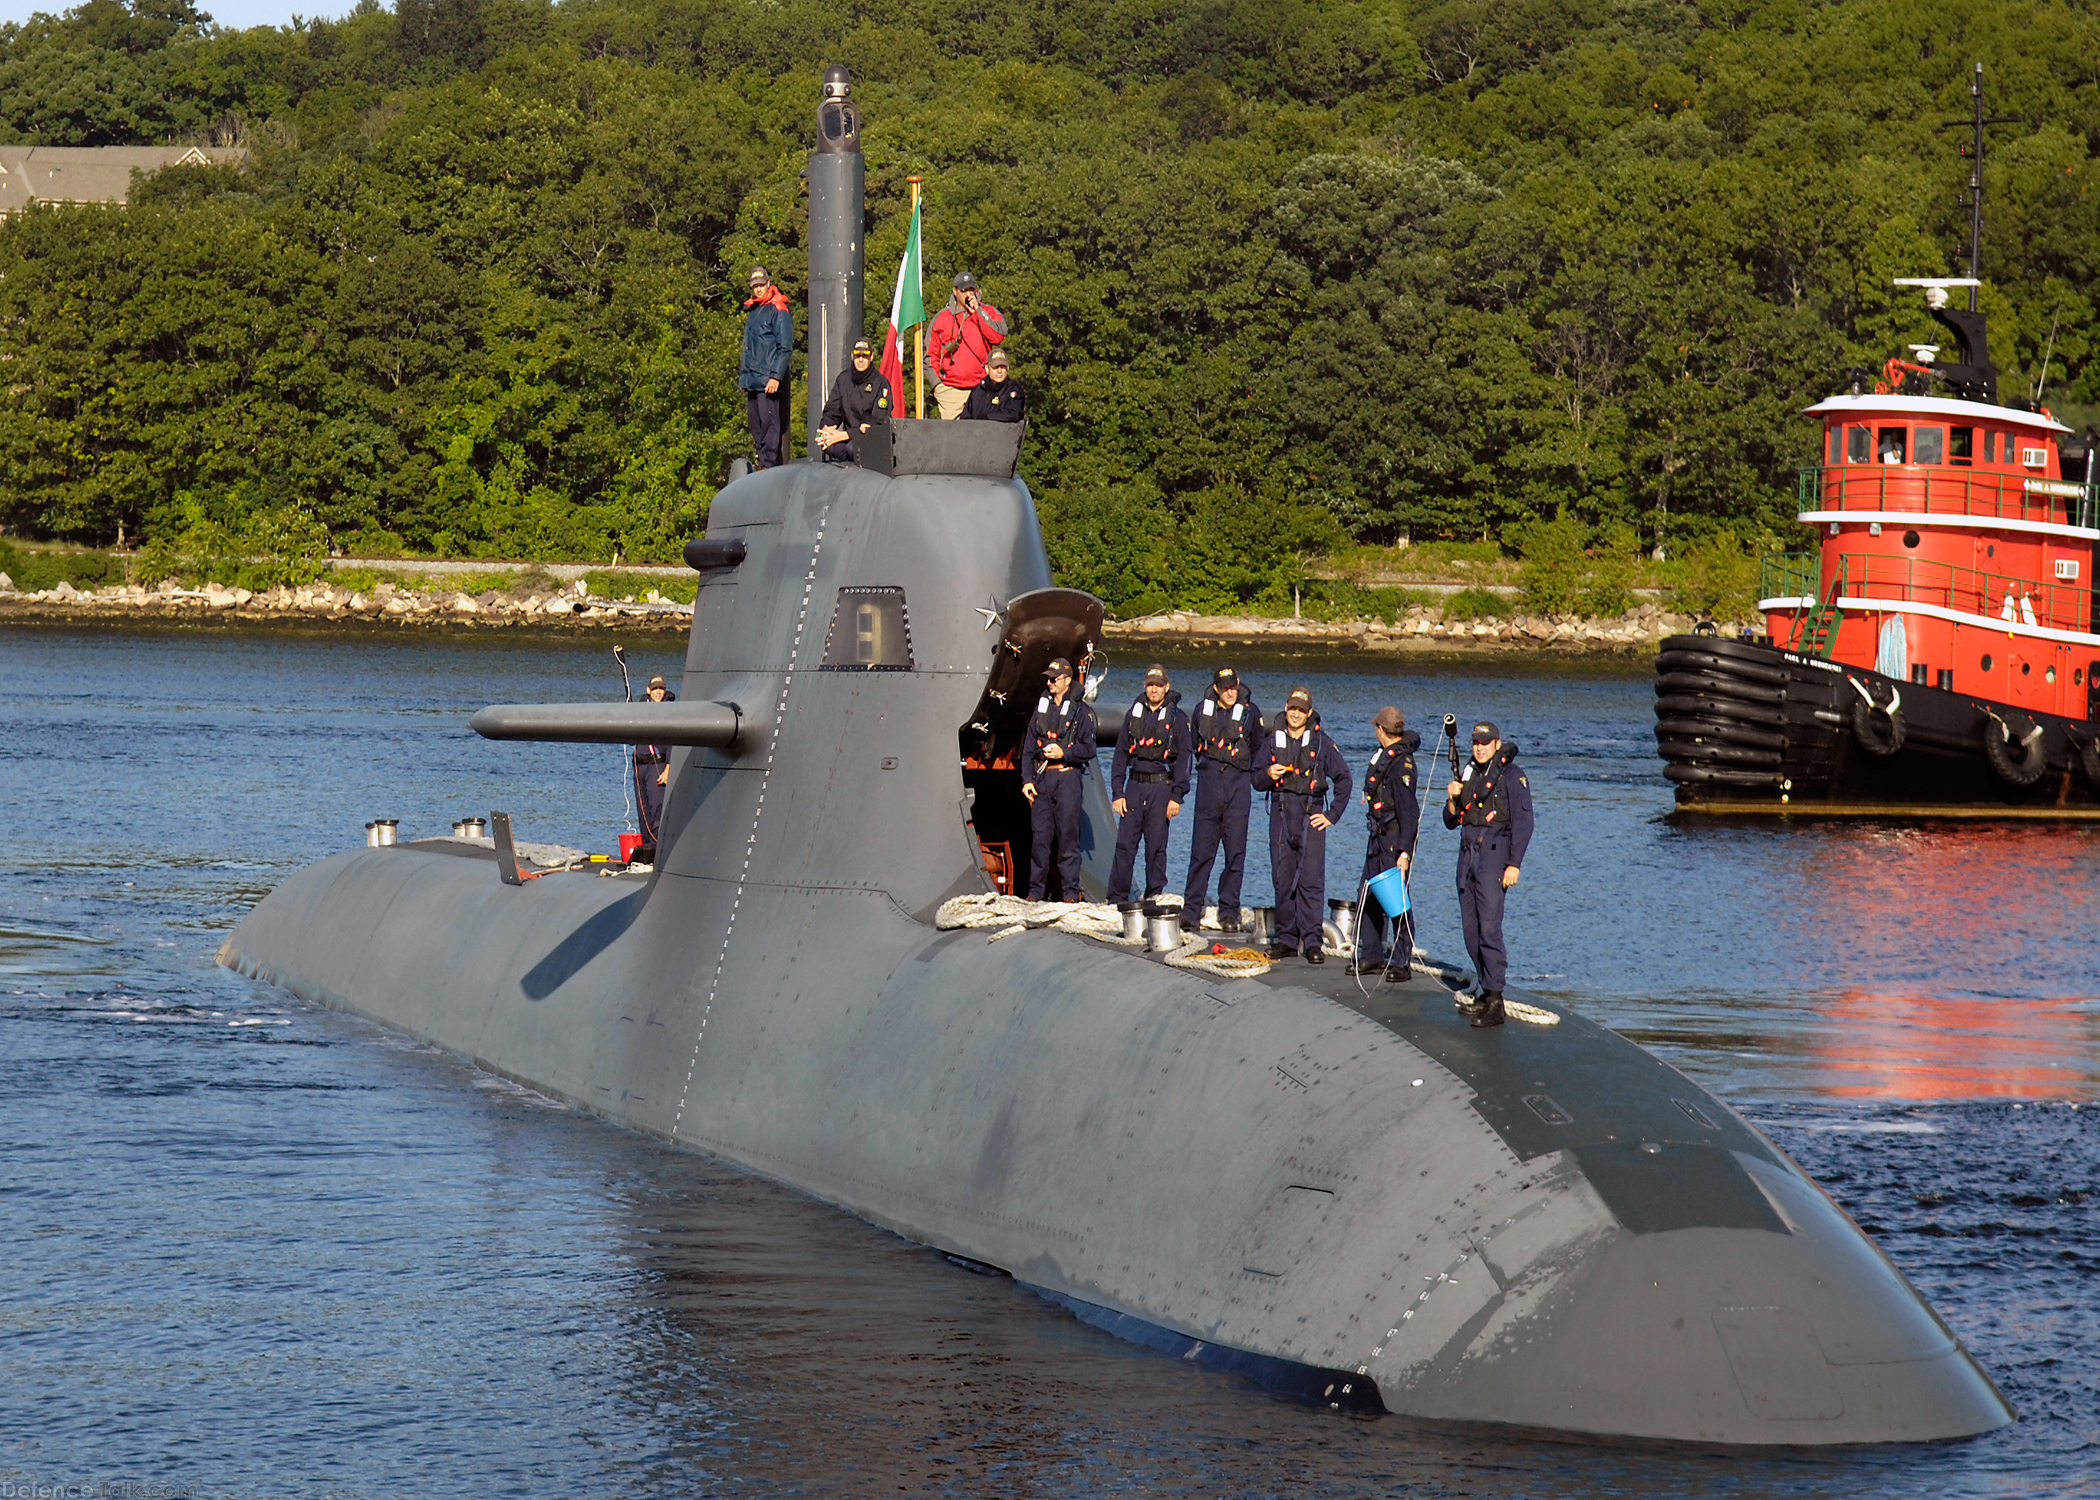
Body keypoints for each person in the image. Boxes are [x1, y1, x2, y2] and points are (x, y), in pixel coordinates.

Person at [1442, 721, 1535, 1028]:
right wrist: (1453, 798)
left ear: (1497, 744)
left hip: (1495, 854)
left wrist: (1514, 864)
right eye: (1475, 743)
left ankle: (1495, 997)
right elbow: (1450, 821)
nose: (1479, 747)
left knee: (1489, 927)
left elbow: (1524, 823)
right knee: (1471, 929)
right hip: (1467, 854)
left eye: (1485, 742)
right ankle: (1485, 987)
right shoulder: (1469, 773)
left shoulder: (1512, 776)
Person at [1256, 687, 1350, 963]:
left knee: (1310, 881)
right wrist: (1267, 774)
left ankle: (1312, 941)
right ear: (1286, 709)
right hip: (1282, 814)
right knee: (1283, 879)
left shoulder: (1321, 743)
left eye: (1301, 710)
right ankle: (1286, 938)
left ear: (1309, 713)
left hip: (1311, 816)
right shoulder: (1273, 741)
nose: (1295, 714)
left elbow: (1344, 780)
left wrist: (1332, 815)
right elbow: (1255, 780)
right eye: (1292, 708)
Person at [1179, 667, 1261, 935]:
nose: (1229, 692)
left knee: (1235, 854)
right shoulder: (1201, 710)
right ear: (1216, 688)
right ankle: (1191, 910)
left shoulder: (1251, 713)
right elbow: (1192, 746)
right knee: (1201, 853)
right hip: (1209, 786)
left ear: (1238, 685)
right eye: (1224, 688)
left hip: (1238, 787)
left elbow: (1259, 749)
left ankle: (1229, 911)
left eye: (1233, 687)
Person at [1107, 664, 1190, 908]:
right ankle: (1117, 897)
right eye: (1150, 685)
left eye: (1158, 685)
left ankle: (1154, 895)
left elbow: (1184, 761)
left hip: (1160, 788)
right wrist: (1117, 792)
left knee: (1156, 847)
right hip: (1134, 786)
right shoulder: (1133, 714)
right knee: (1125, 845)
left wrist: (1177, 796)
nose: (1154, 689)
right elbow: (1120, 755)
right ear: (1145, 686)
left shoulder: (1178, 718)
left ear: (1167, 687)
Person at [1348, 706, 1420, 980]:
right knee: (1366, 897)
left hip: (1393, 840)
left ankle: (1402, 961)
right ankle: (1372, 955)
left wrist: (1405, 852)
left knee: (1396, 902)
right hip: (1376, 837)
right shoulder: (1383, 757)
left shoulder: (1402, 765)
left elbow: (1409, 813)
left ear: (1381, 729)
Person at [1022, 657, 1097, 902]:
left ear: (1067, 680)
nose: (1049, 682)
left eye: (1054, 679)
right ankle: (1035, 892)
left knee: (1068, 838)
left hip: (1067, 779)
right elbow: (1028, 746)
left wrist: (1066, 753)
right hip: (1043, 779)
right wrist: (1027, 779)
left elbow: (1089, 749)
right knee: (1040, 839)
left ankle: (1069, 893)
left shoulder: (1082, 712)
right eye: (1048, 678)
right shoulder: (1041, 707)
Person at [928, 272, 1006, 420]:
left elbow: (998, 336)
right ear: (955, 292)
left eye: (971, 290)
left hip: (982, 388)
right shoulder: (942, 318)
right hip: (950, 391)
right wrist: (937, 385)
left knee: (981, 435)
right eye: (964, 290)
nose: (968, 294)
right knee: (953, 437)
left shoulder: (988, 312)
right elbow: (930, 354)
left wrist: (978, 312)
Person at [739, 266, 793, 469]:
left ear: (769, 284)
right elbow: (748, 348)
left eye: (762, 285)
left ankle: (768, 463)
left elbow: (785, 347)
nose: (758, 289)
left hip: (768, 379)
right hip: (752, 378)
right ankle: (761, 459)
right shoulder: (754, 310)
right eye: (755, 287)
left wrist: (775, 377)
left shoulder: (778, 310)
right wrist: (744, 377)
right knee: (755, 424)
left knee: (769, 423)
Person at [818, 338, 892, 464]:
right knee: (829, 445)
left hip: (869, 440)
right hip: (849, 437)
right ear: (852, 355)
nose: (861, 360)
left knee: (852, 449)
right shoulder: (843, 380)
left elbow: (877, 423)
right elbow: (832, 411)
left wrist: (846, 435)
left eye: (865, 355)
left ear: (871, 357)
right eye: (857, 355)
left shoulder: (881, 384)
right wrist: (826, 431)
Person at [634, 675, 676, 849]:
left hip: (657, 766)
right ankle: (648, 846)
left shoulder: (670, 713)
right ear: (648, 691)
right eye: (655, 689)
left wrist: (669, 768)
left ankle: (658, 847)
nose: (658, 692)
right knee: (643, 810)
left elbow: (674, 742)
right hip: (640, 766)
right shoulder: (640, 710)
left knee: (657, 808)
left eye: (661, 689)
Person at [963, 348, 1025, 422]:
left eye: (1003, 367)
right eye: (995, 367)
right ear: (987, 369)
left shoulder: (1013, 390)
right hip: (976, 432)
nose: (999, 371)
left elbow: (1014, 414)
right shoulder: (978, 390)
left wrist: (986, 416)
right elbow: (965, 418)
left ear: (1008, 368)